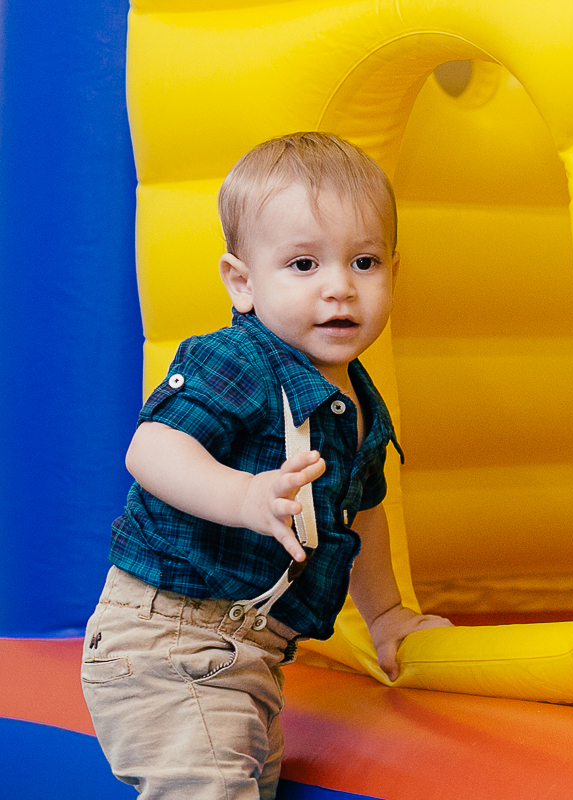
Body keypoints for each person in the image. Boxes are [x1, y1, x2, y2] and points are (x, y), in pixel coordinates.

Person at [80, 132, 450, 799]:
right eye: (304, 265)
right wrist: (244, 496)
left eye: (363, 262)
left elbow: (362, 514)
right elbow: (152, 448)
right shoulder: (237, 361)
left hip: (250, 654)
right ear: (243, 282)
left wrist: (388, 613)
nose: (340, 288)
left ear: (395, 270)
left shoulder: (356, 400)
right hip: (167, 638)